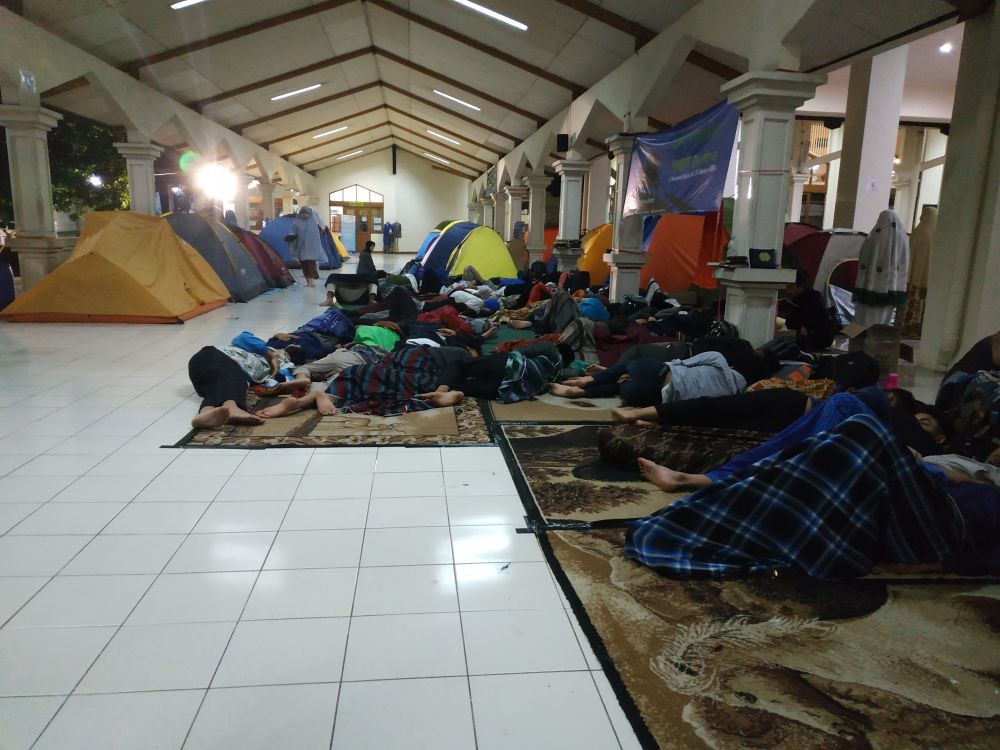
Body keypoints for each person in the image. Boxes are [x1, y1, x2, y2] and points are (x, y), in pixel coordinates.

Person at [627, 412, 1000, 579]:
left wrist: (943, 565)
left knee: (862, 430)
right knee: (842, 437)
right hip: (920, 498)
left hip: (941, 530)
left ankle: (703, 490)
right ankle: (703, 501)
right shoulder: (976, 475)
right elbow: (953, 477)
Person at [549, 350, 746, 407]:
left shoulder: (718, 359)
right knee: (620, 385)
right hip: (647, 397)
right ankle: (583, 391)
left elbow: (681, 363)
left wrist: (644, 370)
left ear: (732, 366)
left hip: (658, 373)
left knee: (633, 362)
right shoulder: (729, 398)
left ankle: (588, 381)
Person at [188, 345, 287, 429]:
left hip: (203, 380)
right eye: (281, 352)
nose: (280, 356)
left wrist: (275, 371)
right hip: (208, 356)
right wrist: (272, 354)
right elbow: (244, 337)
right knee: (236, 374)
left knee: (218, 386)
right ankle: (231, 407)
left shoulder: (270, 371)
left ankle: (206, 413)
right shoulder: (253, 350)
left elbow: (283, 382)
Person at [852, 209, 910, 327]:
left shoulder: (876, 235)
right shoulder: (903, 237)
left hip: (871, 284)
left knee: (866, 315)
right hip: (892, 286)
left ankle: (862, 336)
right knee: (884, 317)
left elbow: (865, 256)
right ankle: (878, 336)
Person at [777, 269, 836, 350]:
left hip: (816, 341)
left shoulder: (813, 299)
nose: (787, 291)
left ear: (801, 286)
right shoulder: (798, 299)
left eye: (791, 287)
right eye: (786, 287)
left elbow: (815, 321)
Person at [322, 241, 378, 306]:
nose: (373, 248)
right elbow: (372, 269)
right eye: (372, 247)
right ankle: (371, 300)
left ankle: (329, 299)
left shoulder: (363, 254)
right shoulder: (367, 255)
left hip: (358, 278)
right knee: (374, 277)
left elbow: (362, 269)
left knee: (332, 276)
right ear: (369, 246)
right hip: (362, 278)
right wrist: (383, 273)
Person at [286, 206, 327, 288]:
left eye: (306, 212)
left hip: (312, 247)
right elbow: (293, 232)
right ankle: (308, 281)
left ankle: (312, 281)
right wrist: (290, 236)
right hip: (301, 247)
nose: (304, 214)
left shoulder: (314, 222)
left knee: (311, 264)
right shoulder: (297, 222)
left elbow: (321, 230)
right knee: (304, 265)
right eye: (302, 212)